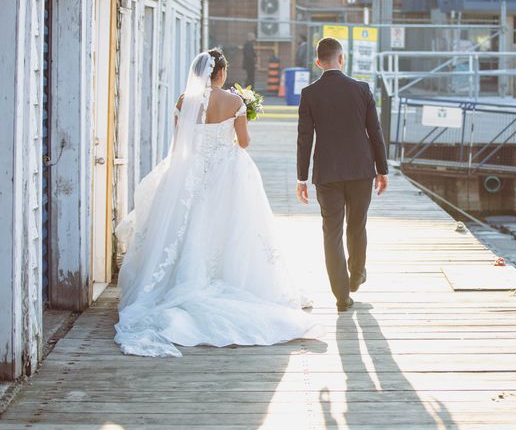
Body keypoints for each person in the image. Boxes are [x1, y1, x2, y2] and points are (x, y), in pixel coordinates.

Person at [114, 49, 322, 357]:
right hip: (227, 172)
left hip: (189, 172)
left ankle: (177, 282)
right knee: (232, 228)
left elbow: (179, 143)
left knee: (184, 227)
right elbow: (245, 142)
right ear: (221, 73)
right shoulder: (234, 102)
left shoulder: (184, 101)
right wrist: (239, 117)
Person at [296, 37, 389, 312]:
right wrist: (382, 170)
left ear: (317, 62)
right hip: (361, 170)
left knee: (331, 233)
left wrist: (301, 178)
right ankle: (356, 275)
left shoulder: (309, 93)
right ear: (342, 58)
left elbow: (304, 139)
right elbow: (375, 132)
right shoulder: (361, 89)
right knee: (357, 225)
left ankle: (341, 296)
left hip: (327, 173)